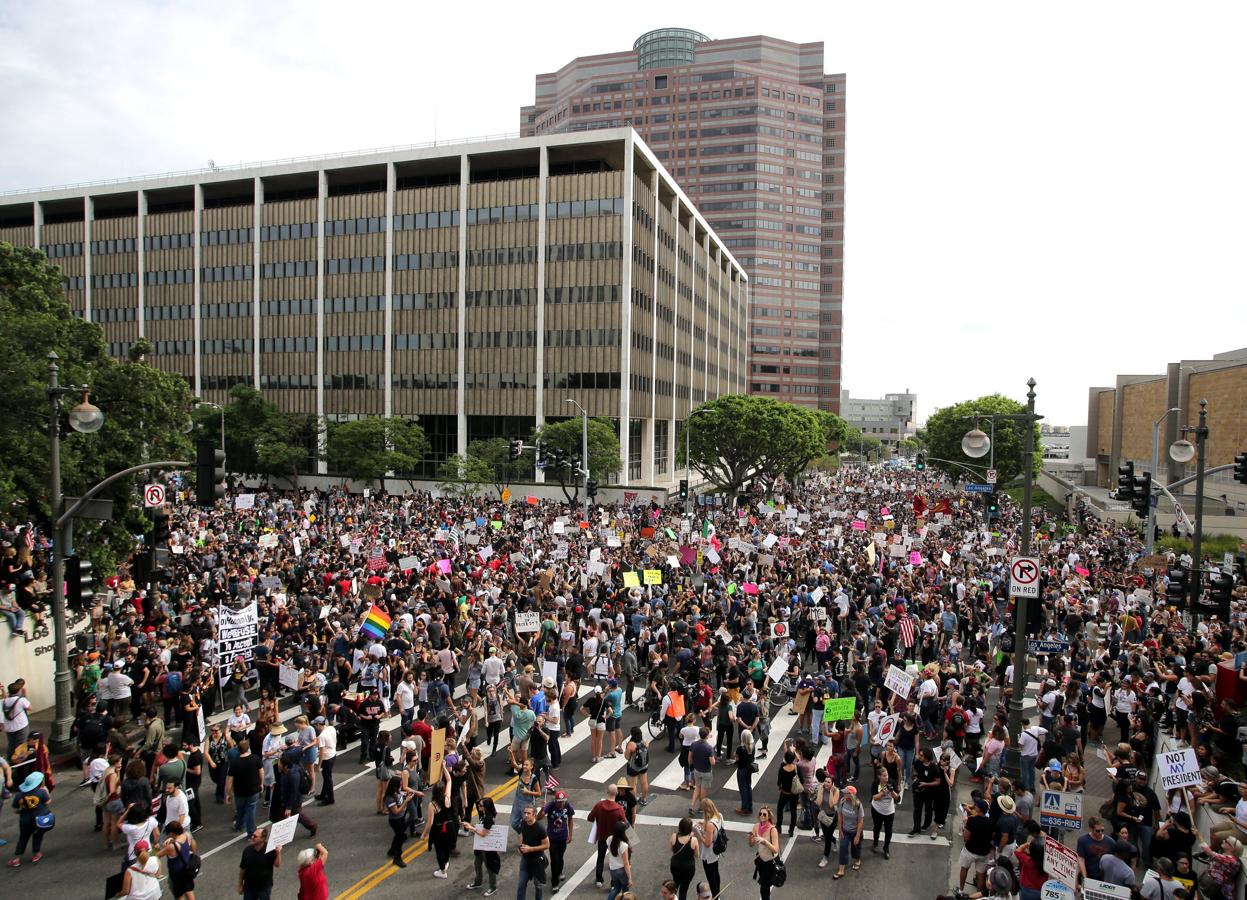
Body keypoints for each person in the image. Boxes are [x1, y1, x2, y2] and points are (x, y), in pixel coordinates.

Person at [7, 770, 51, 867]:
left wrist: (21, 810)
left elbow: (15, 809)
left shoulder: (19, 795)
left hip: (24, 819)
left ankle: (16, 859)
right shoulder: (42, 792)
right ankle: (36, 853)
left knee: (23, 837)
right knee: (37, 835)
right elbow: (47, 802)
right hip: (37, 819)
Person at [588, 783, 626, 889]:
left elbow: (590, 818)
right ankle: (613, 883)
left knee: (600, 858)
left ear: (607, 792)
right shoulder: (619, 809)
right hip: (614, 839)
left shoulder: (599, 805)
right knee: (614, 861)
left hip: (601, 837)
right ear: (616, 793)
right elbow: (623, 824)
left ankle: (599, 880)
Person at [537, 789, 574, 893]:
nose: (561, 804)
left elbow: (570, 819)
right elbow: (538, 817)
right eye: (559, 802)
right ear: (556, 800)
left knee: (560, 857)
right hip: (552, 838)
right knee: (554, 860)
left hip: (563, 837)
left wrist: (570, 834)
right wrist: (542, 808)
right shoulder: (550, 805)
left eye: (563, 801)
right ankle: (555, 883)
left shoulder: (568, 806)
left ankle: (560, 871)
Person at [464, 796, 501, 896]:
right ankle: (478, 882)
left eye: (480, 805)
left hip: (487, 848)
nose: (478, 806)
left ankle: (493, 887)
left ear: (485, 807)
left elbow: (484, 833)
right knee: (477, 864)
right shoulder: (484, 815)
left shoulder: (488, 818)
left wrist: (471, 828)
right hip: (480, 846)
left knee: (489, 867)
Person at [516, 803, 551, 900]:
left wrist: (530, 849)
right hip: (525, 860)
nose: (526, 815)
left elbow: (547, 845)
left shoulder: (540, 828)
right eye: (525, 813)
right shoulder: (523, 823)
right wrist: (520, 846)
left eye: (529, 813)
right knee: (521, 884)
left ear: (534, 814)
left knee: (538, 885)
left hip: (537, 861)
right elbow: (521, 834)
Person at [238, 826, 282, 900]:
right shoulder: (247, 850)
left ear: (262, 838)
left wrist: (278, 853)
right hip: (249, 888)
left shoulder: (270, 850)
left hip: (264, 888)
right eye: (252, 835)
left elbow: (277, 864)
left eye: (255, 836)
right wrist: (240, 885)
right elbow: (243, 869)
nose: (252, 837)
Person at [692, 799, 724, 898]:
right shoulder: (719, 815)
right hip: (716, 850)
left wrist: (699, 832)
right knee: (716, 873)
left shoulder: (710, 824)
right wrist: (703, 824)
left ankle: (715, 896)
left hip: (709, 854)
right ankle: (718, 894)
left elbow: (707, 843)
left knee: (711, 877)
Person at [160, 820, 198, 900]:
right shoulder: (186, 835)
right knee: (189, 890)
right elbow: (193, 843)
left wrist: (163, 846)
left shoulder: (172, 847)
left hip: (177, 874)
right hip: (187, 869)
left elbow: (158, 855)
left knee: (179, 894)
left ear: (171, 834)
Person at [749, 805, 781, 899]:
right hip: (761, 860)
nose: (762, 816)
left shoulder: (773, 830)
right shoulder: (756, 826)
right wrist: (751, 839)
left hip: (770, 862)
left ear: (769, 816)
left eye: (764, 814)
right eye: (760, 814)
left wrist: (765, 842)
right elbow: (751, 844)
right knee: (764, 884)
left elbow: (776, 849)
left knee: (764, 889)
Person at [384, 775, 416, 866]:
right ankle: (397, 858)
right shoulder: (389, 799)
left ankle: (391, 851)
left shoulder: (397, 792)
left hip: (401, 818)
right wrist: (406, 801)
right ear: (394, 786)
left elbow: (402, 795)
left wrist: (407, 795)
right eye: (400, 784)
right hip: (395, 820)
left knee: (398, 836)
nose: (401, 786)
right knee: (400, 837)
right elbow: (396, 811)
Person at [833, 784, 865, 879]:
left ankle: (857, 860)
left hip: (855, 831)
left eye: (846, 793)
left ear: (851, 795)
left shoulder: (858, 805)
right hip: (845, 831)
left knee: (856, 848)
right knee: (843, 848)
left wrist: (857, 836)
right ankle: (841, 869)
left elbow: (860, 821)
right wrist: (840, 830)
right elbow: (839, 816)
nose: (844, 794)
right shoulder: (842, 802)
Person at [870, 766, 900, 859]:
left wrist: (892, 791)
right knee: (877, 827)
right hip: (877, 809)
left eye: (886, 775)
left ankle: (886, 848)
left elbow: (898, 799)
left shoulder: (891, 782)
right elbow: (874, 797)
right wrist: (883, 792)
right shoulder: (875, 783)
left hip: (889, 811)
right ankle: (875, 842)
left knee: (889, 830)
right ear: (879, 776)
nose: (886, 777)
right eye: (884, 776)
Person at [669, 816, 700, 900]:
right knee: (684, 890)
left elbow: (672, 849)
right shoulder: (693, 840)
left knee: (675, 886)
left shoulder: (674, 836)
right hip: (688, 867)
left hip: (675, 865)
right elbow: (697, 855)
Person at [605, 821, 633, 900]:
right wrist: (630, 878)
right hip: (621, 870)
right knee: (626, 892)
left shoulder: (609, 839)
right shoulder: (623, 845)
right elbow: (626, 863)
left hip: (613, 869)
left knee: (616, 888)